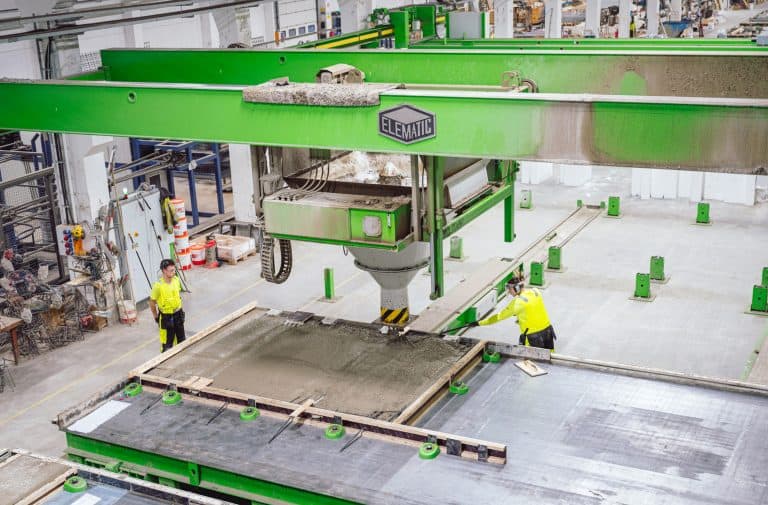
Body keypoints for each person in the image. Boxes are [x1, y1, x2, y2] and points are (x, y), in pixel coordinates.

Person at [468, 274, 556, 351]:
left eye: (510, 289)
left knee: (532, 363)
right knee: (550, 356)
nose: (509, 292)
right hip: (548, 331)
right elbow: (533, 308)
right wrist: (521, 318)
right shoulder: (536, 291)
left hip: (533, 338)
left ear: (516, 288)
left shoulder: (517, 303)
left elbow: (498, 317)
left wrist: (479, 323)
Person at [149, 259, 186, 352]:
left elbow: (178, 297)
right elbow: (152, 302)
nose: (174, 272)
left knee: (182, 341)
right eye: (171, 270)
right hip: (166, 317)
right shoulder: (158, 286)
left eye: (174, 270)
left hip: (178, 314)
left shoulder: (176, 280)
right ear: (164, 271)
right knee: (167, 344)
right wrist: (156, 316)